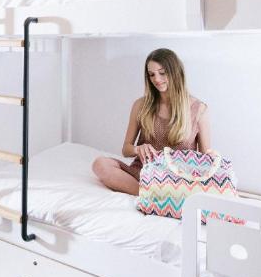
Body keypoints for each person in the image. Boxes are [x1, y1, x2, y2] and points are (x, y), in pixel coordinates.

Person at [91, 48, 214, 196]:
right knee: (100, 165)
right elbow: (126, 149)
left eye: (162, 73)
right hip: (143, 175)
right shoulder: (141, 105)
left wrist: (212, 160)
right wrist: (138, 149)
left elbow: (205, 159)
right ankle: (152, 195)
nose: (156, 79)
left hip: (177, 179)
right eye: (151, 74)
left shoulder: (199, 109)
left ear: (175, 72)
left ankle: (161, 195)